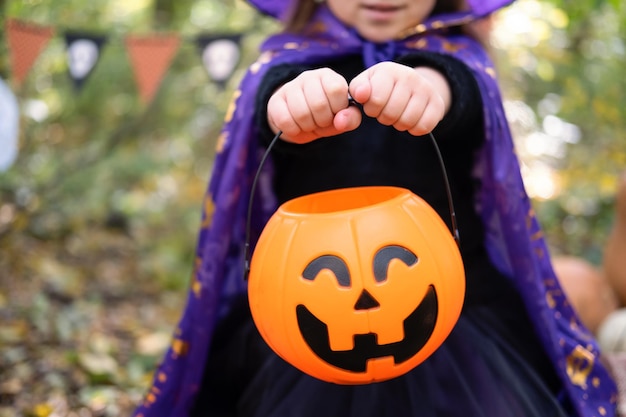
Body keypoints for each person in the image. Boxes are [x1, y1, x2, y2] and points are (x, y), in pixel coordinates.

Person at [133, 0, 618, 416]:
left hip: (448, 311)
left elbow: (460, 92)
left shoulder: (454, 61)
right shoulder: (291, 64)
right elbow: (271, 99)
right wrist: (289, 104)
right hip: (308, 308)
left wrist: (429, 89)